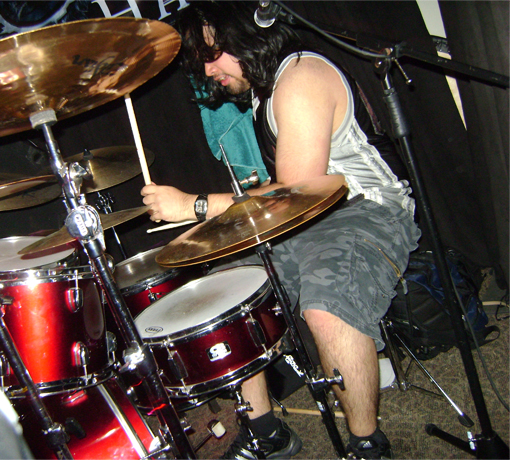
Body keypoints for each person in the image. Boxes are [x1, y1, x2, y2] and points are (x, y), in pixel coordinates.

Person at [141, 2, 421, 459]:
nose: (207, 71)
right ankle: (265, 432)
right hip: (308, 218)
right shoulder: (264, 91)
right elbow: (292, 201)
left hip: (367, 208)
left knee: (326, 303)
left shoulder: (300, 78)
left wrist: (193, 205)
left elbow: (294, 192)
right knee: (227, 291)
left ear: (243, 36)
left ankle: (367, 444)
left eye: (211, 55)